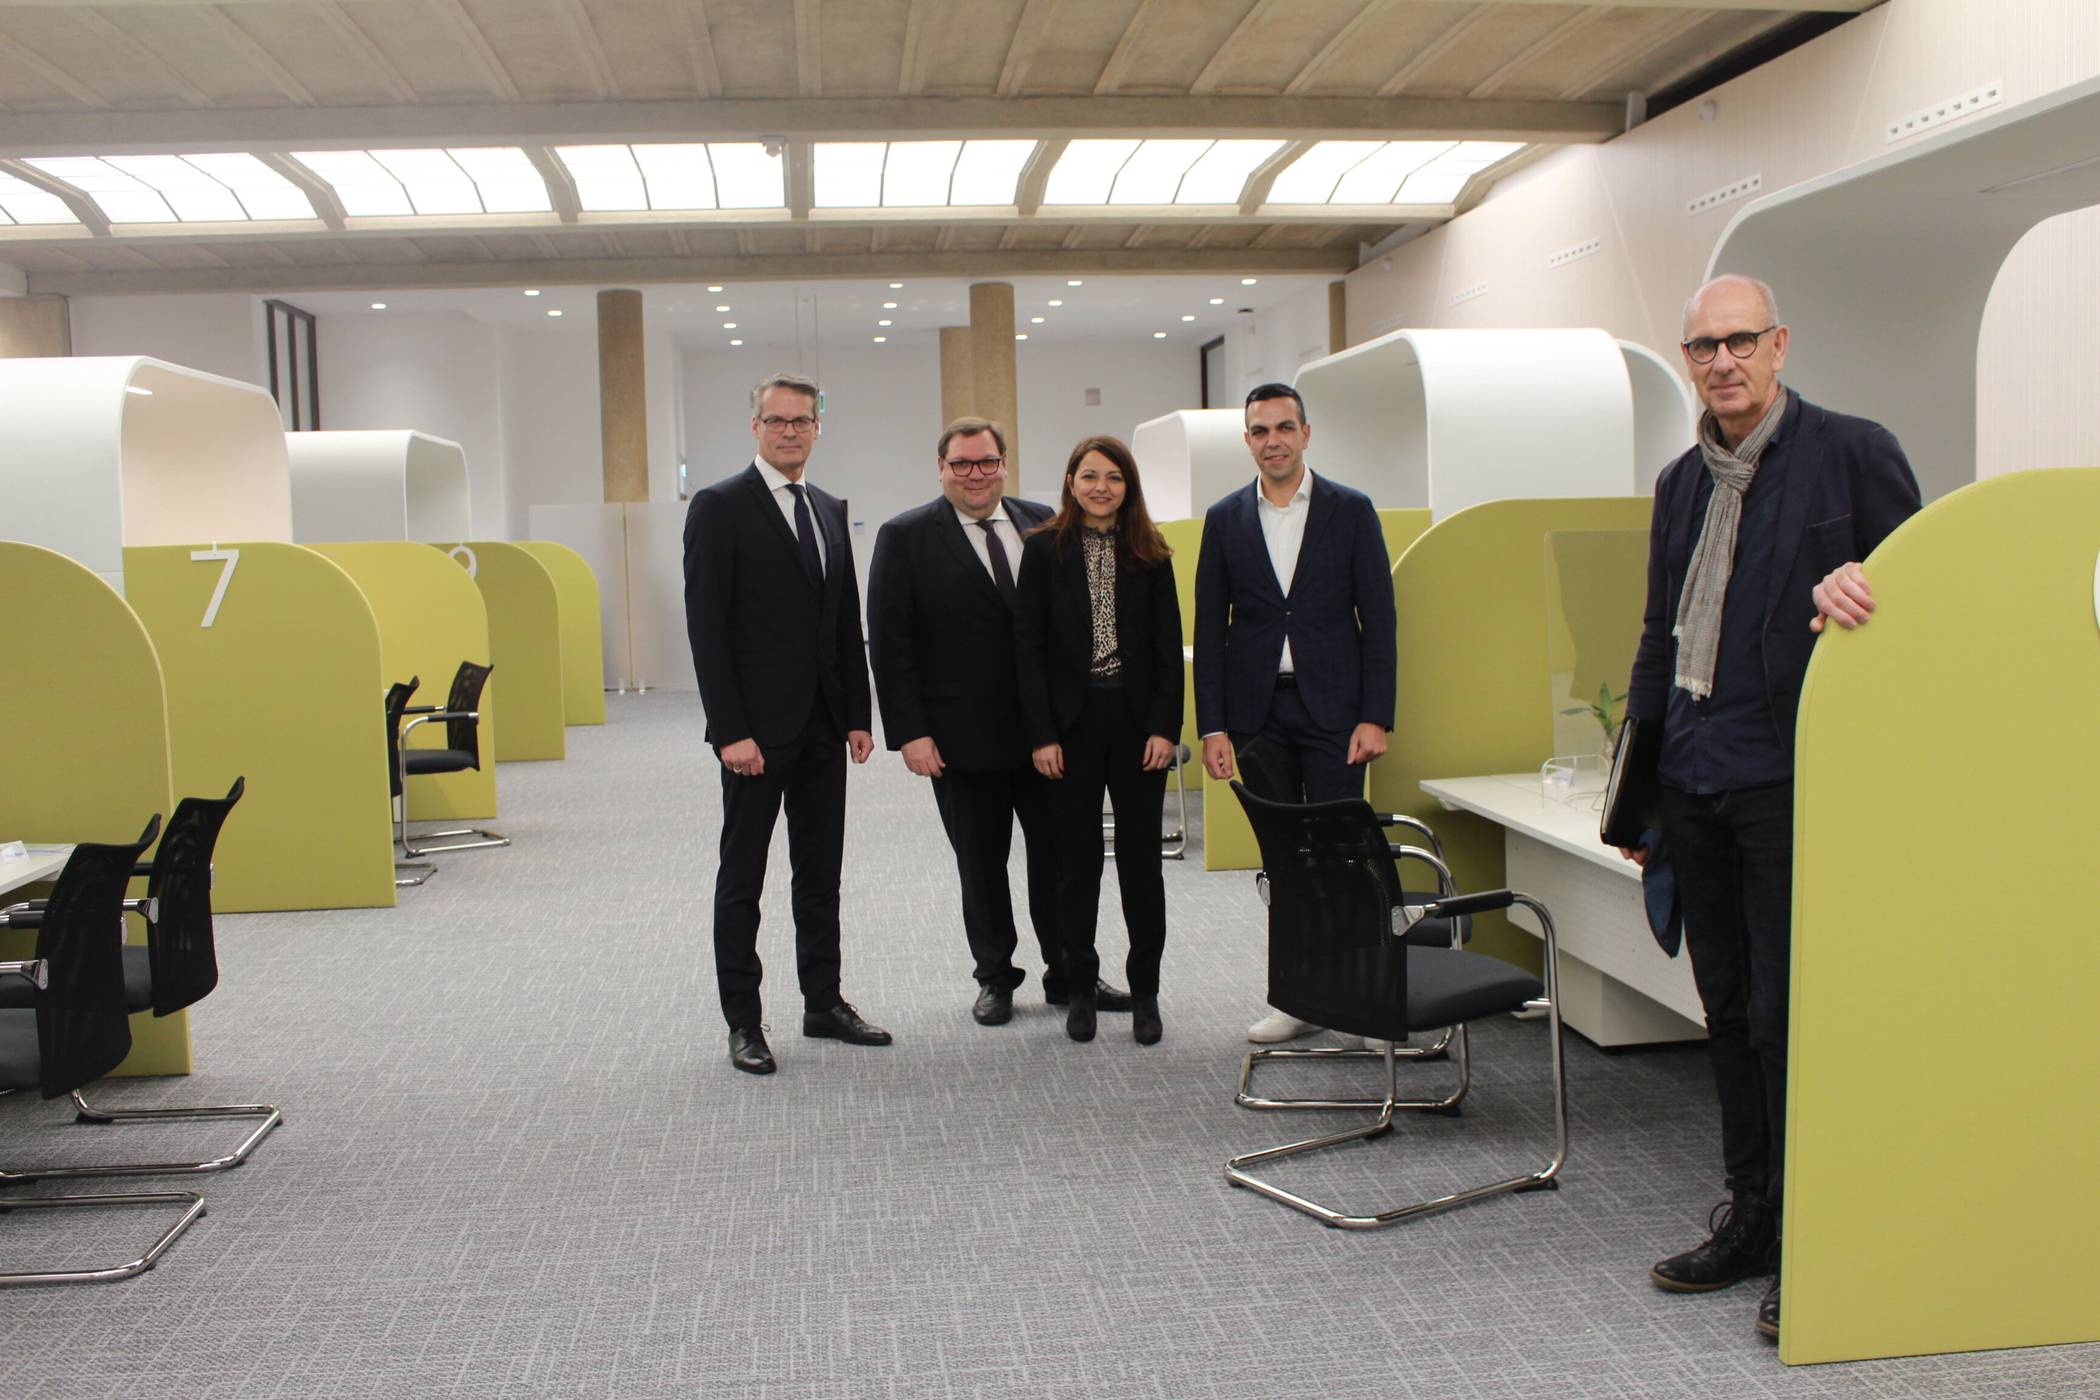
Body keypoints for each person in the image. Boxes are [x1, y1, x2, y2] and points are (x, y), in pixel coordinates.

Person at [1619, 274, 1920, 1342]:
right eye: (1702, 346)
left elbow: (1919, 597)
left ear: (1780, 343)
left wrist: (1867, 590)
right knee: (1730, 1014)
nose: (1721, 362)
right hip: (1696, 776)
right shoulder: (1680, 481)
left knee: (1797, 1021)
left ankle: (1812, 1237)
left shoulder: (1850, 452)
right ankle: (1751, 1214)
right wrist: (1639, 784)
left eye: (1740, 340)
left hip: (1795, 782)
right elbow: (1660, 631)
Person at [867, 417, 1133, 1027]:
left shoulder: (1043, 519)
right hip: (959, 739)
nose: (975, 474)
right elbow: (890, 644)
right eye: (962, 464)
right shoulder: (904, 536)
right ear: (941, 469)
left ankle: (1071, 974)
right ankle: (995, 978)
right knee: (981, 866)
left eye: (987, 462)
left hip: (1048, 734)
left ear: (1004, 463)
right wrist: (910, 732)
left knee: (1061, 861)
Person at [683, 371, 893, 1076]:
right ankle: (744, 1021)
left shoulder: (829, 508)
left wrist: (857, 715)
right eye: (777, 421)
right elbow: (707, 629)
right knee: (743, 878)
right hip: (755, 734)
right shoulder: (719, 506)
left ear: (816, 428)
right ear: (755, 427)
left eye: (801, 421)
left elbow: (841, 621)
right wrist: (728, 730)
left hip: (822, 728)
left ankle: (822, 1002)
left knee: (819, 873)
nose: (789, 432)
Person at [1192, 382, 1396, 1044]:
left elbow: (1380, 620)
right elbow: (1211, 628)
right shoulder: (1225, 519)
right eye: (1259, 430)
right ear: (1247, 440)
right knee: (1285, 861)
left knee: (1343, 854)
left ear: (1306, 434)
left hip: (1337, 714)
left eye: (1284, 427)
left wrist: (1376, 715)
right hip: (1257, 716)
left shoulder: (1351, 510)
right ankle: (1298, 997)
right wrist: (1213, 725)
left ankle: (1362, 996)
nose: (1272, 440)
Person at [1014, 435, 1183, 1046]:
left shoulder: (1151, 552)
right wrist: (1041, 735)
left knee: (1142, 869)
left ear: (1128, 486)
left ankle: (1146, 994)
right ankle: (1080, 988)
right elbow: (1027, 652)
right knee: (1074, 866)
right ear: (1070, 481)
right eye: (1090, 476)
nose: (1101, 487)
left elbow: (1169, 650)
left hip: (1139, 730)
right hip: (1069, 730)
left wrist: (1166, 727)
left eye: (1114, 477)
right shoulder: (1041, 552)